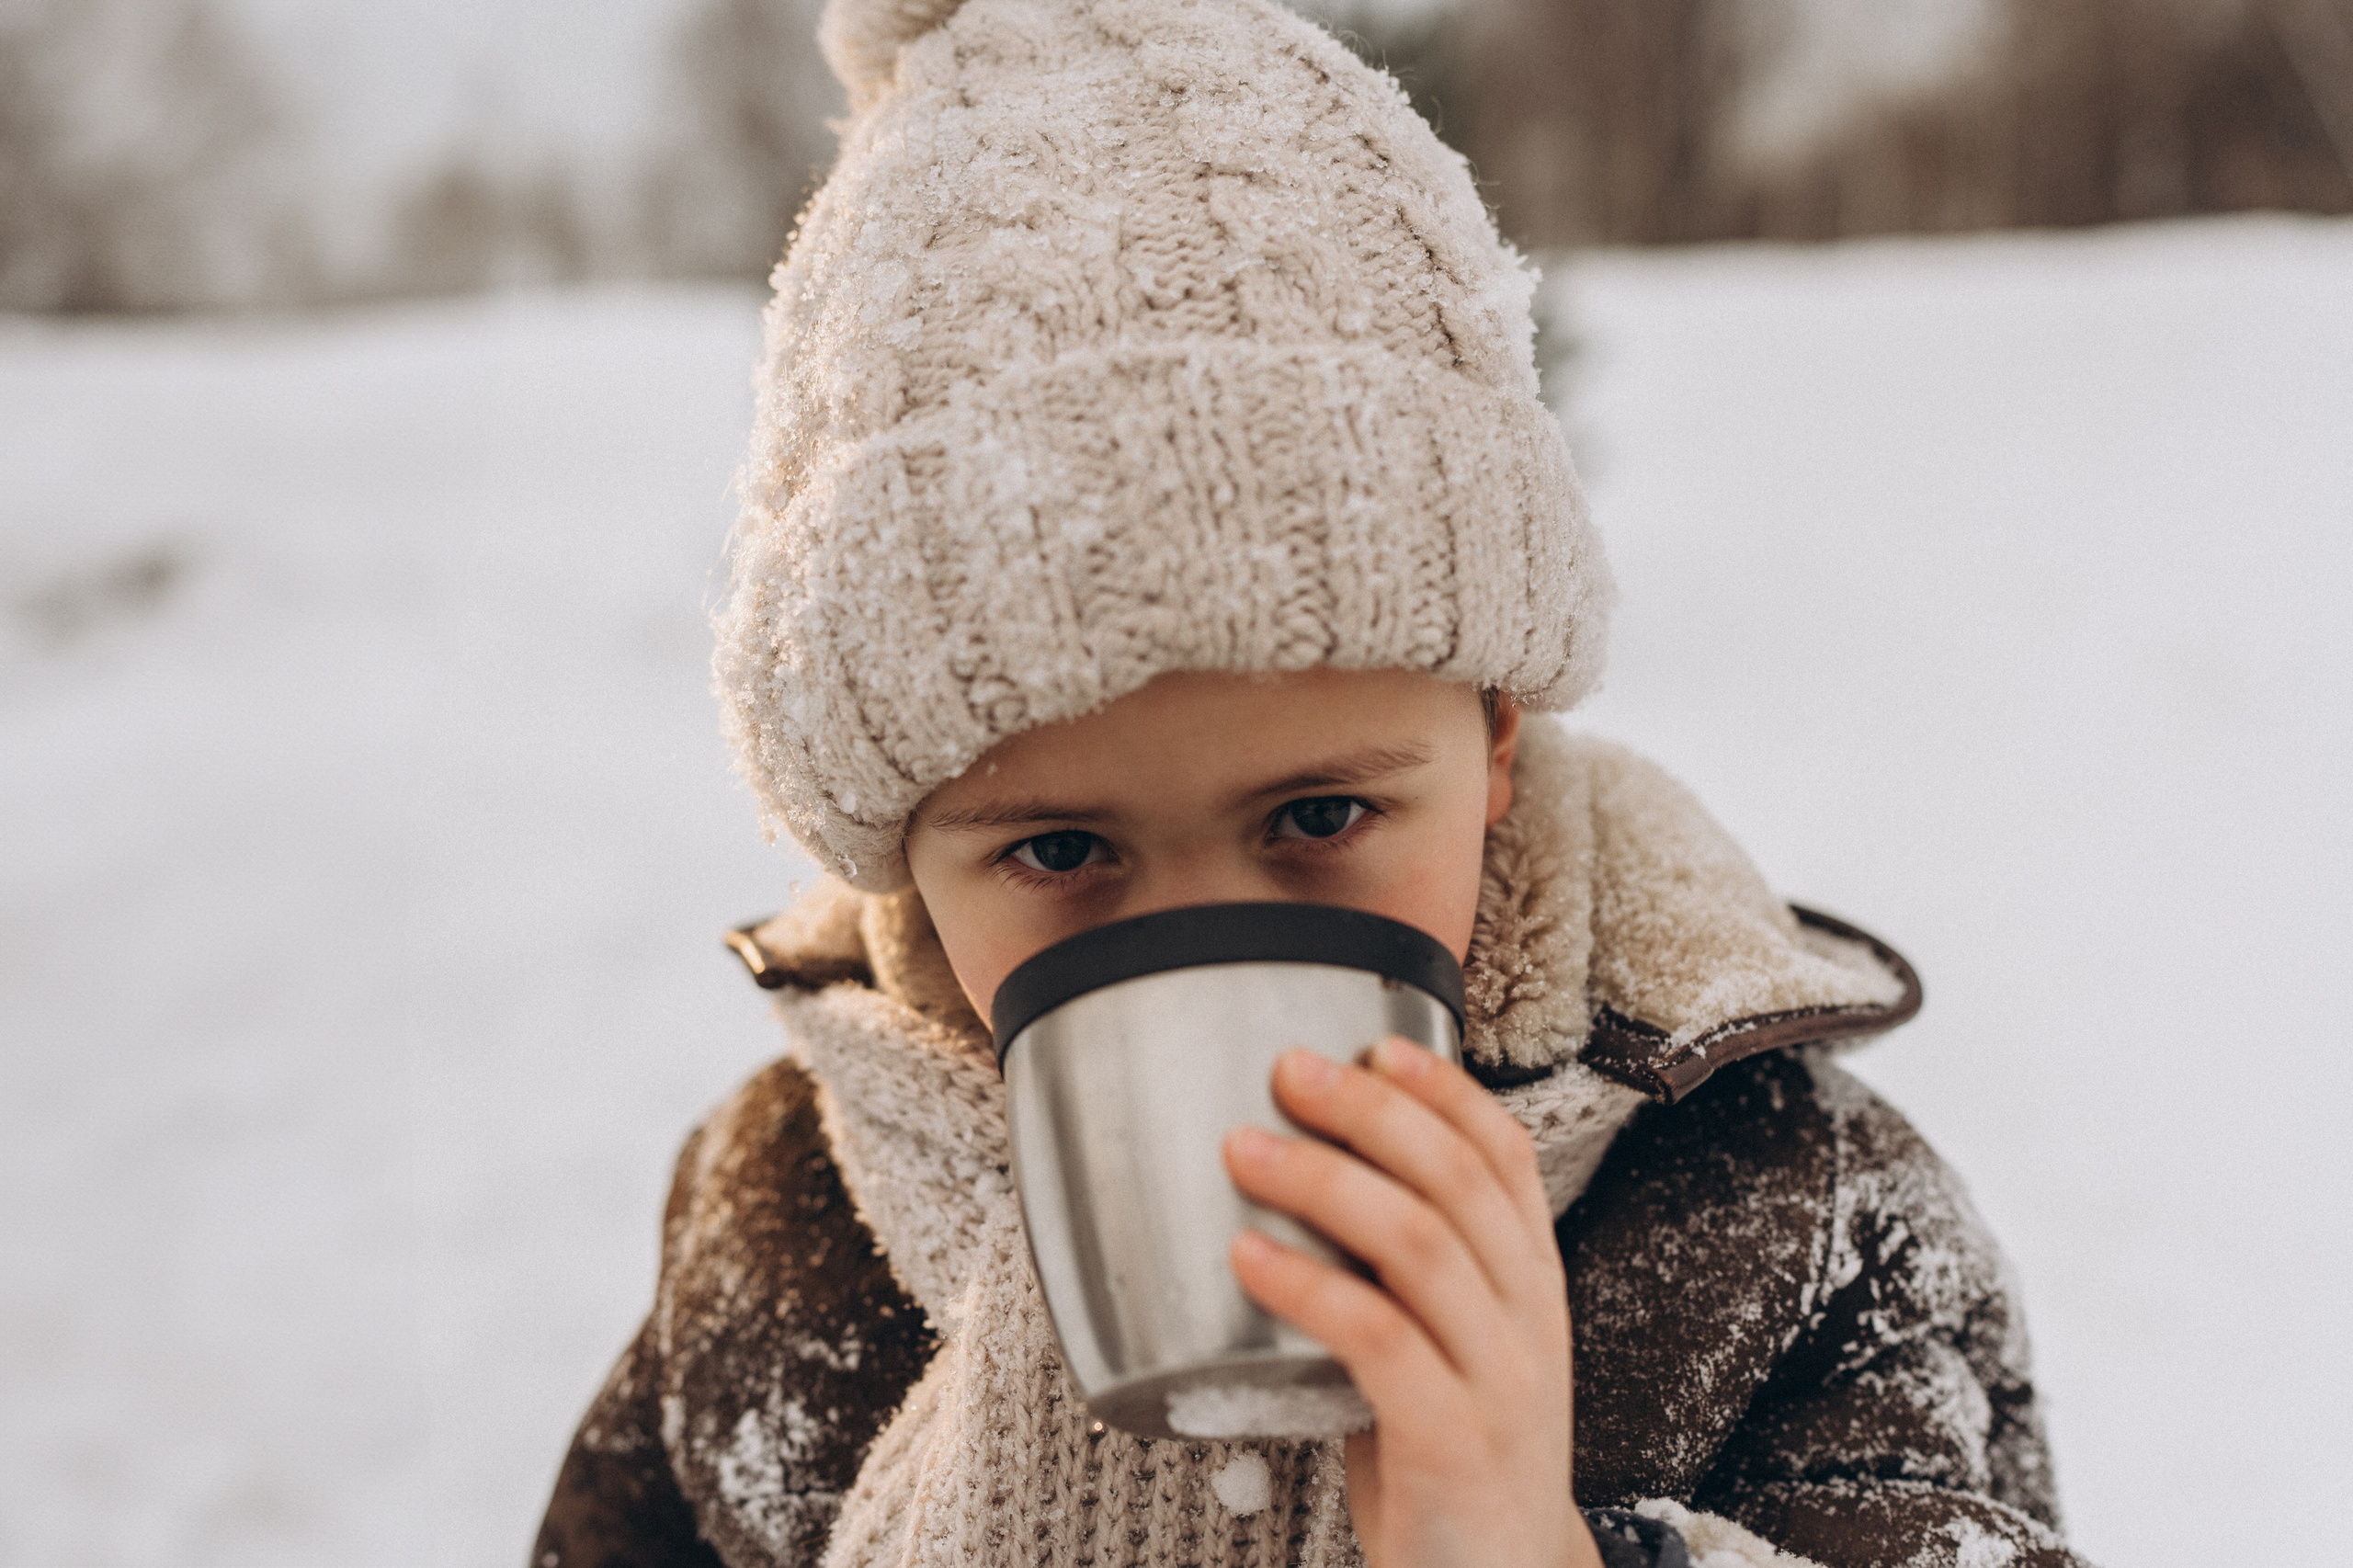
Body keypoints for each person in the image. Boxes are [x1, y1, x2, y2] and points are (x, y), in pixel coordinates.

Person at [533, 1, 2093, 1565]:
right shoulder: (784, 1216)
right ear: (896, 851)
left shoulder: (1762, 1200)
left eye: (1319, 816)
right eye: (1063, 846)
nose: (1214, 941)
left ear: (1490, 738)